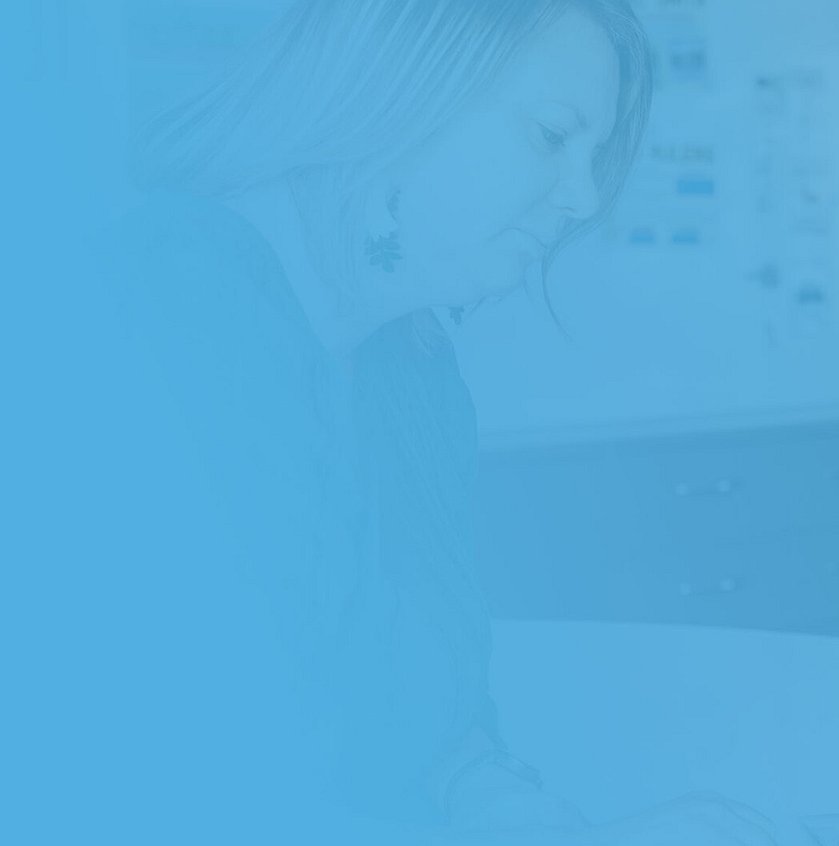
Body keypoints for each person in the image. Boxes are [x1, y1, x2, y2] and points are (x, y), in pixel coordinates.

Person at [67, 1, 771, 842]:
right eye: (552, 135)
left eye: (593, 159)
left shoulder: (413, 375)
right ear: (393, 96)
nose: (583, 199)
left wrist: (484, 789)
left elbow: (428, 710)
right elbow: (193, 779)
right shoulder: (157, 319)